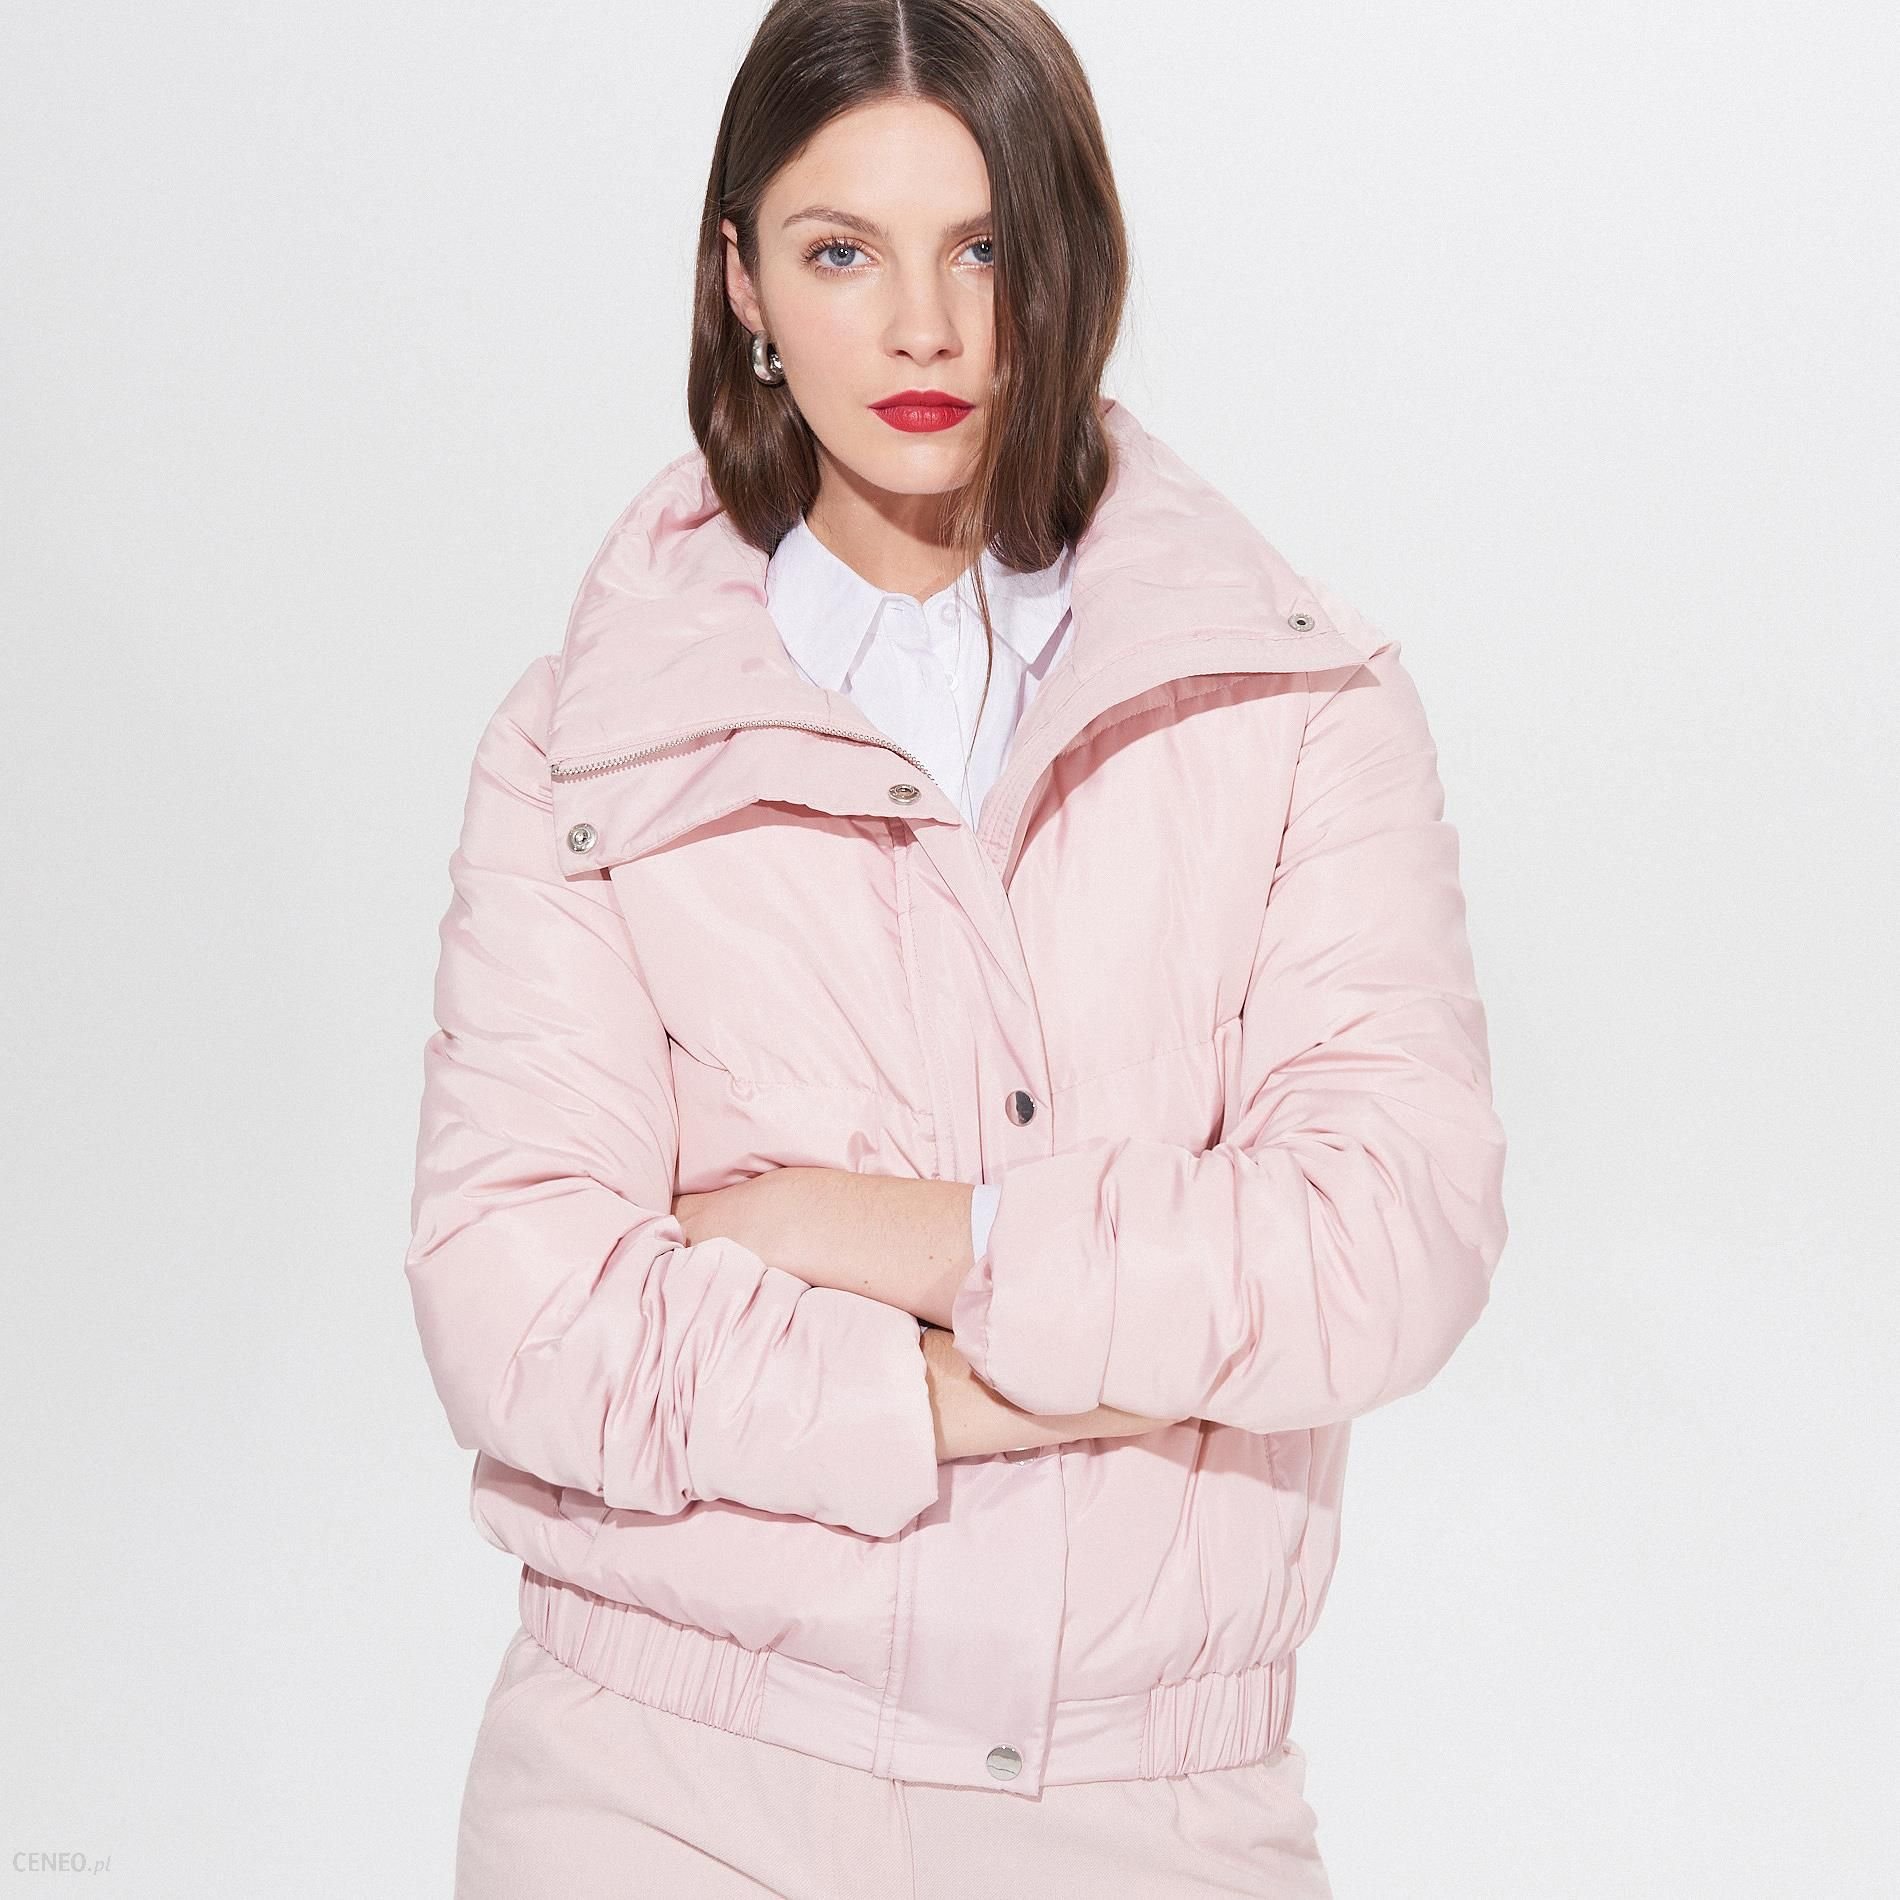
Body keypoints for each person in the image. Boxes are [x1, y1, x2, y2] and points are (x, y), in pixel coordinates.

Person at [403, 1, 1509, 1893]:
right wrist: (1003, 1386)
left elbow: (1388, 1243)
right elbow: (521, 1311)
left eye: (982, 247)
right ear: (742, 281)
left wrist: (887, 1235)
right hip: (660, 1788)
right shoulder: (586, 742)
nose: (923, 327)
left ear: (1072, 259)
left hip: (1150, 1809)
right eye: (843, 251)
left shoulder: (1301, 705)